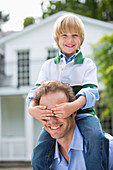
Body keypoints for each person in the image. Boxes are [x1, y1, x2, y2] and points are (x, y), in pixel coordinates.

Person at [26, 13, 109, 169]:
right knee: (38, 155)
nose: (70, 40)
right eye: (64, 35)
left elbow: (90, 92)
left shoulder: (87, 64)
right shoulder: (48, 65)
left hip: (84, 114)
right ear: (57, 39)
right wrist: (32, 109)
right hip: (55, 118)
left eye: (75, 35)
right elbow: (35, 92)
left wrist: (72, 107)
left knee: (95, 138)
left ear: (81, 39)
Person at [32, 80, 113, 170]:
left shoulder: (109, 149)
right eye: (46, 114)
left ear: (74, 111)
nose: (52, 120)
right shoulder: (42, 159)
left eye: (58, 112)